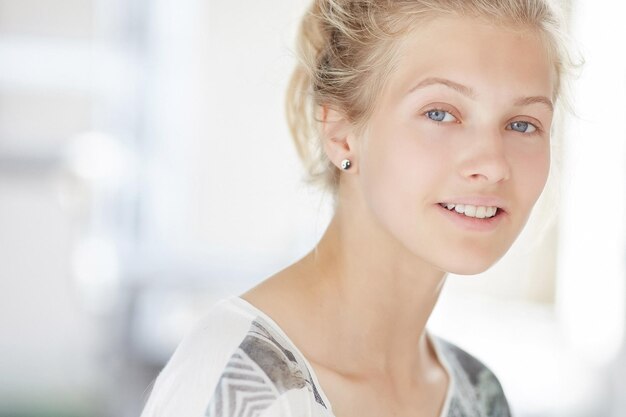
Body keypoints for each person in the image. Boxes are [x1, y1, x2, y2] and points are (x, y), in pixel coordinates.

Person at [140, 0, 578, 416]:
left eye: (523, 124)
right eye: (440, 114)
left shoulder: (479, 395)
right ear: (341, 135)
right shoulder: (245, 380)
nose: (492, 164)